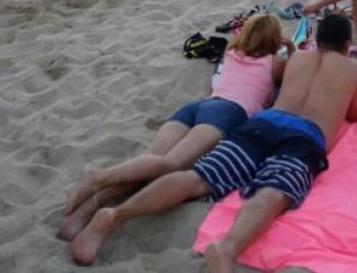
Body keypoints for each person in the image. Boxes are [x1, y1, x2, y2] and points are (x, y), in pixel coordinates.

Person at [69, 15, 357, 270]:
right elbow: (356, 113)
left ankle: (115, 215)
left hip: (264, 123)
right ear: (346, 45)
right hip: (304, 137)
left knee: (198, 177)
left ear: (317, 40)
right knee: (273, 193)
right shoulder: (352, 68)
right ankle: (227, 247)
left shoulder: (297, 59)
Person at [60, 14, 293, 242]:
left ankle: (89, 206)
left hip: (198, 107)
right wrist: (290, 46)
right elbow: (296, 73)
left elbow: (238, 40)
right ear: (274, 39)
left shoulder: (231, 52)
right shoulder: (275, 63)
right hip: (228, 112)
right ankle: (98, 177)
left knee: (151, 161)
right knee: (171, 164)